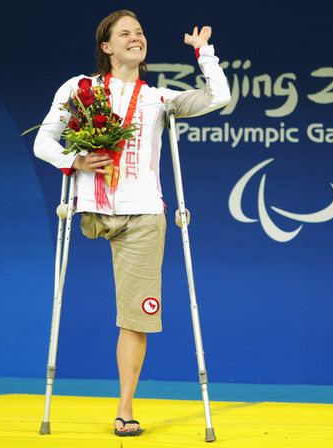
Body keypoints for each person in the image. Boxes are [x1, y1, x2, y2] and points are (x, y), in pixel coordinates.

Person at [33, 9, 230, 437]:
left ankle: (125, 408)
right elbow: (43, 141)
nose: (136, 38)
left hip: (143, 215)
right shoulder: (80, 90)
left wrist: (205, 53)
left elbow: (218, 97)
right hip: (93, 209)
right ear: (107, 47)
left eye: (140, 32)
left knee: (134, 317)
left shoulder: (158, 98)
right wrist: (76, 160)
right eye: (125, 33)